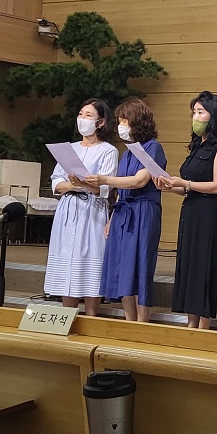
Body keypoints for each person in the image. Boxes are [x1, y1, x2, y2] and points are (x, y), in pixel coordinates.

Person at [153, 91, 217, 330]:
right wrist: (170, 186)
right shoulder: (197, 146)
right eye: (194, 112)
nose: (195, 117)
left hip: (208, 213)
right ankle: (191, 322)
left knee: (203, 265)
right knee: (188, 265)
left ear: (213, 115)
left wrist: (185, 183)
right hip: (190, 210)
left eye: (200, 112)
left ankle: (203, 325)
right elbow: (187, 187)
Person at [86, 99, 165, 323]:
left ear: (137, 122)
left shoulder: (153, 147)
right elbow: (122, 189)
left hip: (143, 211)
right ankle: (129, 320)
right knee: (123, 267)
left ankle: (142, 322)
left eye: (124, 121)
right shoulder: (128, 151)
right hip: (123, 211)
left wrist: (104, 179)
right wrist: (112, 218)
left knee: (140, 265)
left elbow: (139, 180)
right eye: (120, 121)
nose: (121, 125)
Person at [45, 99, 118, 316]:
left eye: (88, 115)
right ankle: (67, 315)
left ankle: (92, 315)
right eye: (80, 114)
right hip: (68, 207)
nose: (82, 119)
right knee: (66, 258)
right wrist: (72, 185)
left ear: (100, 122)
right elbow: (56, 181)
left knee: (89, 258)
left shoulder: (108, 151)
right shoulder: (70, 149)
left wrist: (84, 185)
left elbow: (105, 187)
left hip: (91, 210)